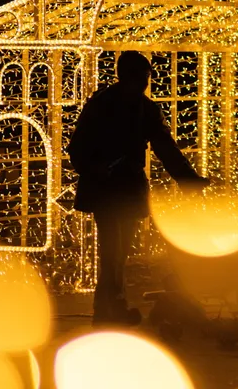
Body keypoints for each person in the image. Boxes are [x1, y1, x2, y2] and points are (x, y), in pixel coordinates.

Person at [67, 51, 209, 326]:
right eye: (143, 76)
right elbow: (79, 147)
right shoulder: (107, 105)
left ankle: (111, 306)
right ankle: (110, 306)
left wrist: (187, 178)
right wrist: (97, 167)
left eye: (147, 77)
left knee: (117, 251)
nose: (146, 82)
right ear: (128, 76)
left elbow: (164, 146)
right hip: (109, 189)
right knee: (113, 250)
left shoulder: (137, 107)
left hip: (123, 188)